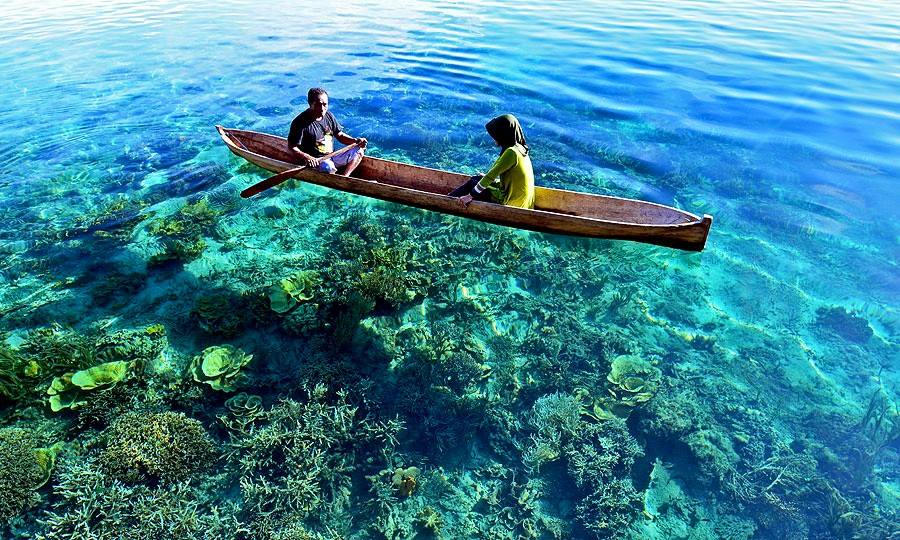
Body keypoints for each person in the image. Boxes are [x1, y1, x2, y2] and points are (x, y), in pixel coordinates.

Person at [449, 114, 535, 209]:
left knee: (472, 184)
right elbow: (511, 178)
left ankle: (446, 201)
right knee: (477, 179)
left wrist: (470, 196)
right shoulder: (521, 148)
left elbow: (490, 177)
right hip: (523, 200)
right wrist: (488, 179)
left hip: (511, 201)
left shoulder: (511, 152)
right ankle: (449, 198)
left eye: (496, 135)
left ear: (503, 135)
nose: (494, 139)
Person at [287, 87, 368, 176]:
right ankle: (334, 176)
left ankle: (345, 177)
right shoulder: (299, 122)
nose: (322, 108)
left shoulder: (329, 116)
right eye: (318, 104)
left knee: (359, 150)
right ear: (310, 104)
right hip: (316, 161)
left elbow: (340, 135)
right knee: (328, 167)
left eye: (325, 104)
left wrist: (355, 141)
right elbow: (291, 147)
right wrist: (307, 157)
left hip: (332, 156)